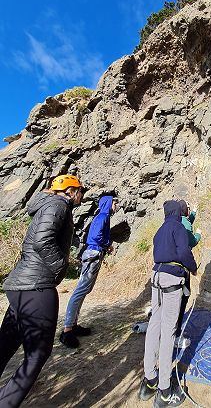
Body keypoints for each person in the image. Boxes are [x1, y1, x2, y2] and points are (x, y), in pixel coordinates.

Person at [0, 174, 83, 408]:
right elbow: (42, 240)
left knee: (6, 344)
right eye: (80, 191)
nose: (81, 196)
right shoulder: (58, 205)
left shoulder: (47, 204)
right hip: (36, 286)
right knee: (38, 353)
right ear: (70, 191)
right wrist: (60, 267)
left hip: (21, 285)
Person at [139, 200, 197, 407]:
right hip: (172, 279)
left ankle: (150, 380)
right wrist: (194, 267)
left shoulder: (160, 229)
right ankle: (164, 390)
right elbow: (183, 252)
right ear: (178, 212)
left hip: (156, 278)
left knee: (154, 327)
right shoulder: (178, 227)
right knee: (168, 332)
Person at [60, 195, 116, 348]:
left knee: (84, 290)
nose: (116, 205)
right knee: (80, 291)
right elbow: (97, 236)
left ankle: (73, 325)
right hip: (93, 254)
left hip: (93, 254)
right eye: (114, 202)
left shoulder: (103, 216)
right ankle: (67, 330)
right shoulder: (103, 216)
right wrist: (108, 244)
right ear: (109, 204)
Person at [175, 199, 201, 344]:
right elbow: (191, 241)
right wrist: (198, 234)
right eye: (188, 208)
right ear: (184, 210)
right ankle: (176, 335)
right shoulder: (184, 224)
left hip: (166, 270)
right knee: (182, 299)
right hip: (181, 269)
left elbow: (187, 220)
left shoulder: (176, 221)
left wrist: (194, 212)